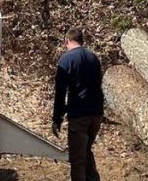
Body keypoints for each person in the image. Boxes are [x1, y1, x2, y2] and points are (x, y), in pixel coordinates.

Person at [52, 26, 104, 181]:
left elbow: (60, 93)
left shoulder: (67, 59)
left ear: (67, 41)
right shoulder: (93, 57)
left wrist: (57, 119)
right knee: (86, 151)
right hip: (96, 113)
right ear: (82, 41)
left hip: (79, 115)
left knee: (77, 160)